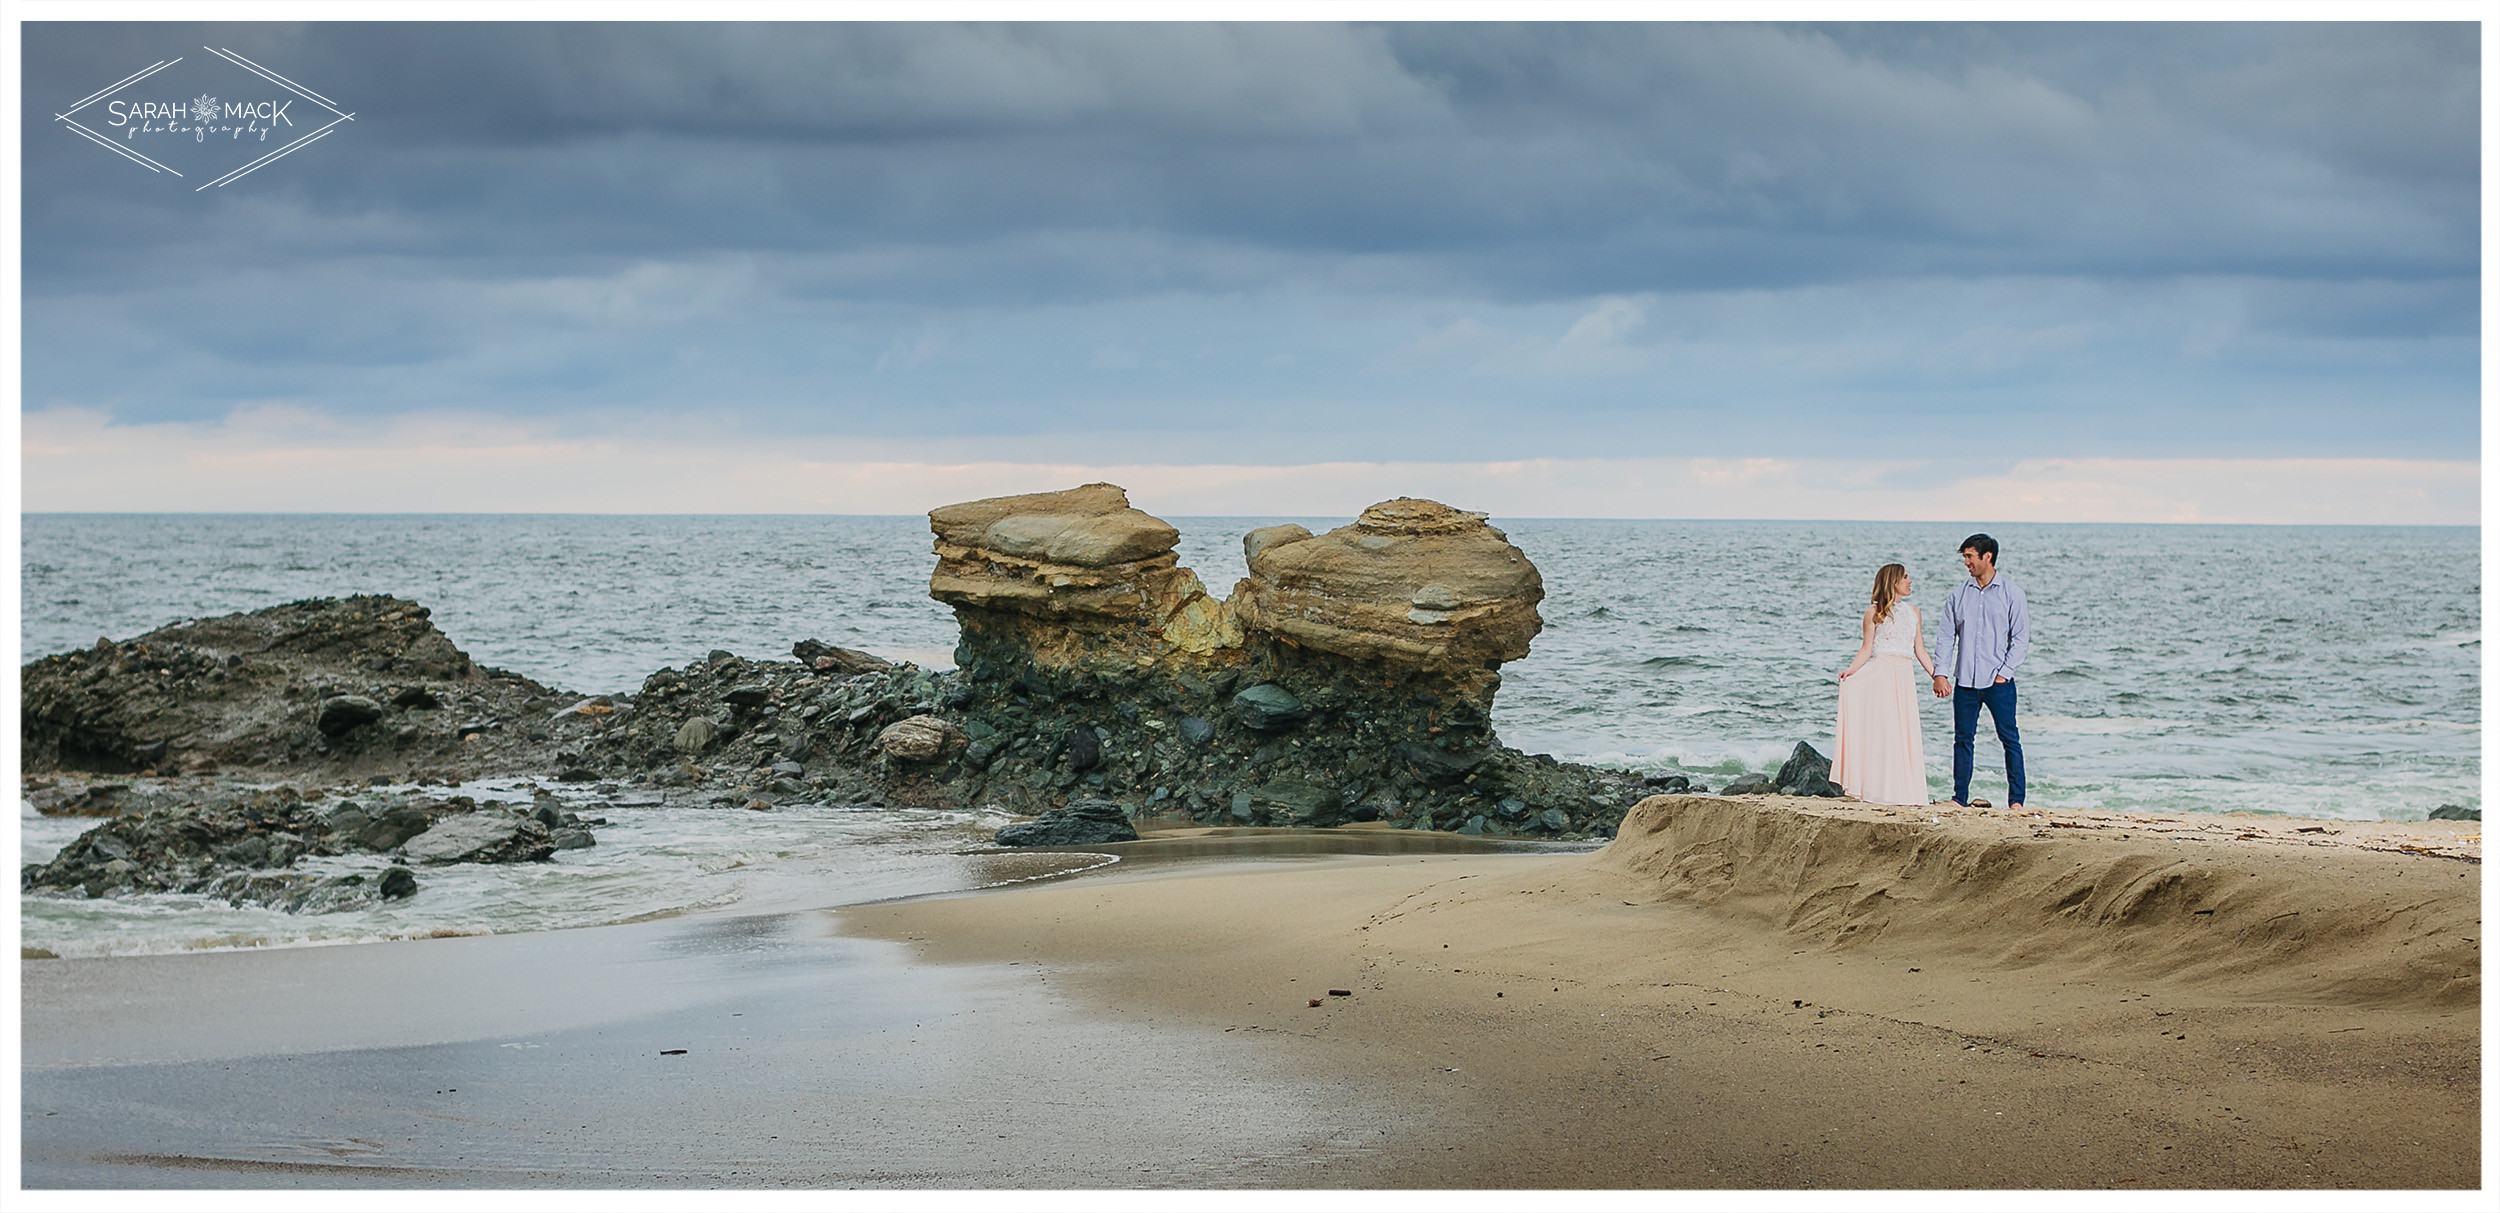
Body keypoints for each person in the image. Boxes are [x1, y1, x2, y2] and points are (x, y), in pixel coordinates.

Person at [1930, 533, 2028, 808]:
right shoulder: (1958, 596)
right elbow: (1946, 637)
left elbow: (2020, 638)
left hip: (1999, 682)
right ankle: (1959, 798)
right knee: (1962, 740)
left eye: (1970, 556)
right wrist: (1941, 672)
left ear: (1988, 557)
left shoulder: (2012, 594)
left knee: (2010, 739)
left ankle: (2016, 801)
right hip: (1966, 683)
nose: (1966, 563)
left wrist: (2004, 673)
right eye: (1964, 557)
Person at [1833, 563, 1937, 805]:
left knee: (1903, 732)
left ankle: (1903, 791)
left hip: (1903, 677)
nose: (1910, 581)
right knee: (1886, 732)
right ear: (1893, 581)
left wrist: (1937, 675)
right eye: (1905, 577)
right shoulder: (1873, 613)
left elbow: (1919, 649)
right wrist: (1851, 671)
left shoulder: (1914, 612)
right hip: (1881, 676)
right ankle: (1879, 790)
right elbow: (1866, 649)